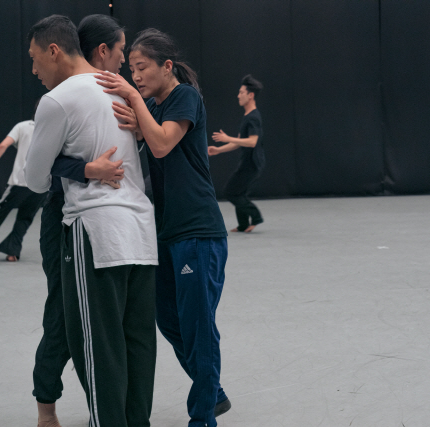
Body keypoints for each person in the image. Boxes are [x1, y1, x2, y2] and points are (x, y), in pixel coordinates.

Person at [25, 15, 157, 427]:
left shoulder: (58, 100)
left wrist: (81, 171)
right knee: (137, 346)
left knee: (99, 349)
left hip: (95, 235)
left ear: (54, 51)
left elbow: (33, 179)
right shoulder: (121, 90)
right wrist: (86, 167)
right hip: (141, 234)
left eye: (34, 58)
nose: (33, 70)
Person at [95, 28, 232, 427]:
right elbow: (145, 135)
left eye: (141, 68)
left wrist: (136, 103)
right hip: (166, 232)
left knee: (198, 327)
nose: (135, 75)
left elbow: (160, 144)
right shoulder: (154, 108)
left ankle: (203, 416)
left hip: (198, 231)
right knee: (170, 321)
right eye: (131, 68)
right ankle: (214, 390)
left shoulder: (184, 97)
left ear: (166, 66)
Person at [0, 103, 48, 261]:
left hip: (19, 183)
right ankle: (12, 252)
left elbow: (2, 146)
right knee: (25, 218)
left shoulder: (22, 126)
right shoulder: (52, 130)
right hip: (41, 184)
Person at [208, 75, 265, 233]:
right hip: (247, 162)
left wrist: (226, 137)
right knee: (238, 192)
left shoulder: (253, 117)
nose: (238, 95)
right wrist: (218, 150)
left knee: (231, 192)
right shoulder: (248, 116)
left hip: (252, 163)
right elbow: (239, 141)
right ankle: (243, 224)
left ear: (250, 95)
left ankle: (256, 217)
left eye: (241, 92)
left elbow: (252, 141)